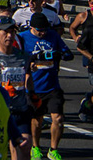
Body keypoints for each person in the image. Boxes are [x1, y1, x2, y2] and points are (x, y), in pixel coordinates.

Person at [20, 12, 71, 160]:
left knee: (58, 118)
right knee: (37, 121)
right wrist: (31, 60)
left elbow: (67, 53)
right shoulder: (23, 37)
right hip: (34, 86)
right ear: (31, 27)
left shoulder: (53, 36)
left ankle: (53, 149)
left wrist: (58, 54)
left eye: (44, 30)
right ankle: (35, 147)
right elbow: (17, 56)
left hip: (52, 86)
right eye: (39, 30)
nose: (42, 33)